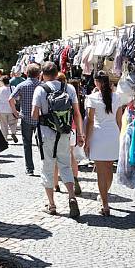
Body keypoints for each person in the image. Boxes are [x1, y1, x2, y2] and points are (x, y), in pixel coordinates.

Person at [31, 61, 84, 219]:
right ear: (57, 72)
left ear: (43, 74)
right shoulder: (69, 88)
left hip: (46, 134)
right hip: (65, 132)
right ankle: (71, 196)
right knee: (65, 165)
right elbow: (77, 113)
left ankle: (51, 204)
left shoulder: (40, 89)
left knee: (47, 166)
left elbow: (34, 114)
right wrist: (80, 134)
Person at [84, 71, 123, 216]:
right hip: (113, 134)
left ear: (96, 82)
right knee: (108, 168)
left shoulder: (92, 98)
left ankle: (104, 204)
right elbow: (119, 121)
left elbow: (90, 121)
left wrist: (87, 140)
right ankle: (104, 195)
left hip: (98, 135)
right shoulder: (117, 97)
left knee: (101, 172)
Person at [8, 64, 41, 175]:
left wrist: (14, 111)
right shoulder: (42, 86)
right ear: (38, 74)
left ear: (26, 73)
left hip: (26, 118)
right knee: (42, 143)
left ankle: (29, 168)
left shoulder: (22, 85)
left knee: (27, 143)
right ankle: (45, 166)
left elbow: (11, 98)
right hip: (40, 118)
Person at [0, 76, 19, 143]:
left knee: (3, 125)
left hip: (2, 110)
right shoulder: (13, 88)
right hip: (11, 109)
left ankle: (5, 139)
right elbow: (17, 98)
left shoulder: (0, 89)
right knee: (13, 122)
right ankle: (13, 133)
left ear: (2, 82)